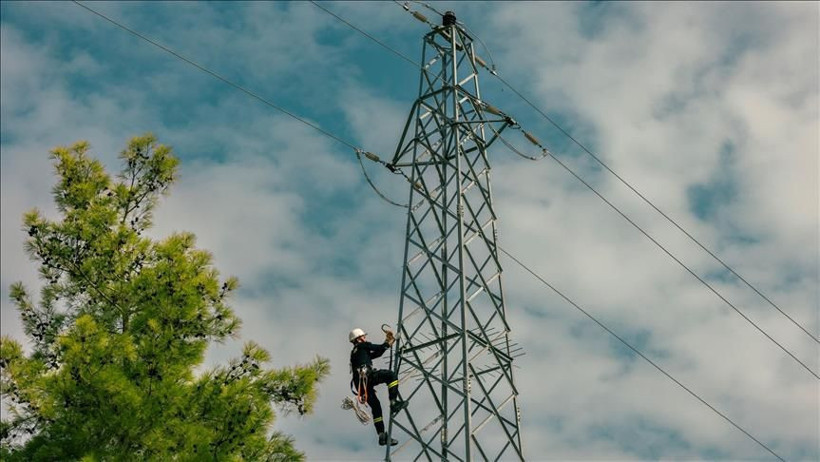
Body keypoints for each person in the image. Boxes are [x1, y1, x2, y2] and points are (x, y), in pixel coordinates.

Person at [349, 327, 408, 446]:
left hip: (360, 384)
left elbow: (378, 353)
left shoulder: (356, 352)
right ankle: (393, 403)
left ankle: (381, 436)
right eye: (363, 337)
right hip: (367, 376)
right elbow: (380, 348)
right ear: (359, 339)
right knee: (391, 376)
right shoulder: (363, 346)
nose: (365, 338)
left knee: (376, 407)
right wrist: (389, 341)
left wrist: (389, 343)